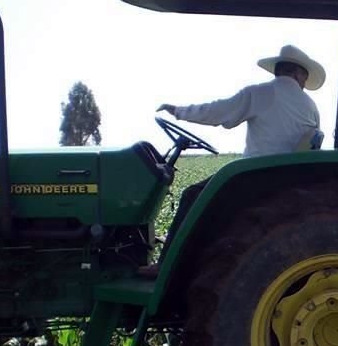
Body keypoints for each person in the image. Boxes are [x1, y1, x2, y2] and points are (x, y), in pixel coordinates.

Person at [139, 45, 325, 278]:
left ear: (280, 70)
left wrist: (179, 111)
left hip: (255, 177)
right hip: (288, 179)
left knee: (191, 195)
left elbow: (218, 112)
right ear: (299, 73)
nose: (304, 82)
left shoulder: (261, 93)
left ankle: (165, 266)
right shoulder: (310, 106)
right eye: (305, 77)